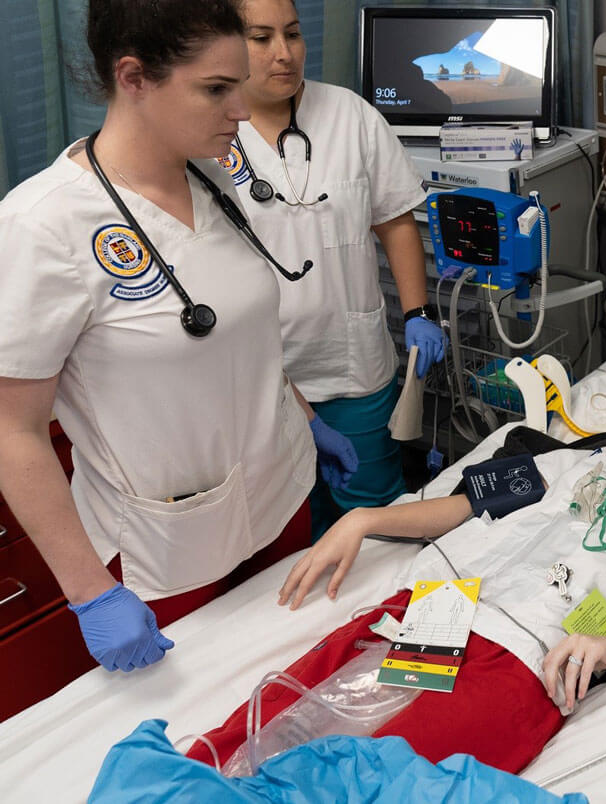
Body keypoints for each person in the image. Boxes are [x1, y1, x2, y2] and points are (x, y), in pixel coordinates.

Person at [0, 0, 354, 676]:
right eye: (217, 89)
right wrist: (90, 592)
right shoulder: (40, 227)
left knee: (302, 695)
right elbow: (12, 430)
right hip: (166, 557)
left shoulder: (216, 180)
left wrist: (303, 417)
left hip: (281, 506)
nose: (243, 111)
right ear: (133, 77)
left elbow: (238, 331)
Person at [192, 397, 606, 773]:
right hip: (445, 608)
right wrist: (365, 519)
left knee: (390, 773)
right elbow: (469, 504)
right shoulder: (593, 460)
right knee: (285, 725)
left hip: (535, 653)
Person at [221, 0, 448, 538]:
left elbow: (394, 220)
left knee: (376, 525)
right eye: (261, 38)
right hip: (262, 378)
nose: (284, 54)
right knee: (286, 534)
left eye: (293, 34)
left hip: (351, 367)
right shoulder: (209, 136)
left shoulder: (350, 115)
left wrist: (418, 311)